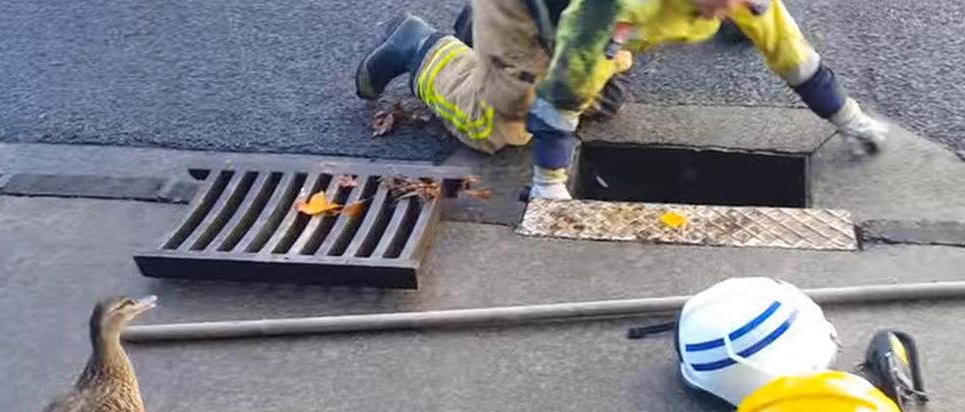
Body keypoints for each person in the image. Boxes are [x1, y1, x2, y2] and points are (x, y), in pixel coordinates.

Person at [355, 0, 889, 200]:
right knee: (505, 127)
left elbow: (791, 54)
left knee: (603, 104)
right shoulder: (617, 11)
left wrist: (849, 118)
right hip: (530, 11)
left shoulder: (742, 1)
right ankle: (422, 49)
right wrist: (549, 185)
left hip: (581, 21)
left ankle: (486, 41)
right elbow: (562, 99)